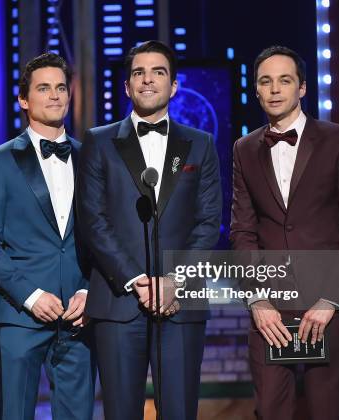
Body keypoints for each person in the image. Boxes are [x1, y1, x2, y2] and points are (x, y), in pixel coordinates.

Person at [76, 40, 222, 420]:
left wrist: (175, 280)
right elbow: (93, 219)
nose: (147, 80)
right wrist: (136, 279)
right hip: (119, 301)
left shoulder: (201, 145)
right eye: (138, 72)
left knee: (179, 411)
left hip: (181, 305)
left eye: (158, 72)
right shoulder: (99, 141)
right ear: (127, 86)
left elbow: (208, 223)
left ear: (174, 86)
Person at [230, 45, 339, 420]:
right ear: (256, 90)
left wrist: (329, 301)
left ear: (302, 88)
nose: (275, 89)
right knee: (271, 410)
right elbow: (242, 230)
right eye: (266, 81)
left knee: (326, 410)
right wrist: (258, 301)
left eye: (285, 80)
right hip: (270, 308)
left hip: (329, 306)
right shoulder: (244, 149)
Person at [0, 52, 94, 420]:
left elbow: (103, 236)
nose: (55, 95)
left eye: (60, 87)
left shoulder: (92, 158)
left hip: (79, 316)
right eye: (44, 88)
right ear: (24, 99)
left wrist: (89, 290)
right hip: (19, 316)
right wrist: (30, 295)